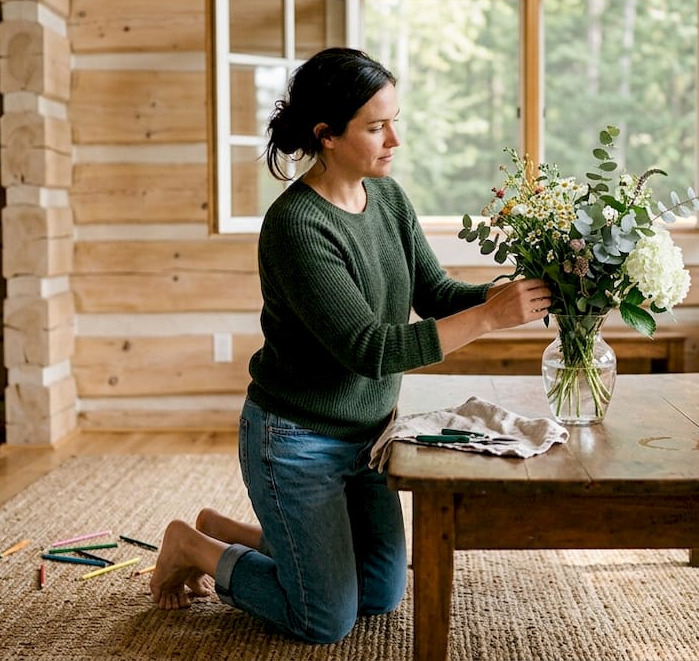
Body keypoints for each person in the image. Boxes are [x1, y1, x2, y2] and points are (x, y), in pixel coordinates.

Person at [149, 47, 551, 643]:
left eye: (396, 119)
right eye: (375, 125)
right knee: (325, 620)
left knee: (383, 592)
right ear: (327, 136)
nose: (394, 138)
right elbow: (370, 349)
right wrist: (491, 318)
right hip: (295, 440)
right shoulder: (295, 226)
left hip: (369, 437)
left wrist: (518, 292)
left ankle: (253, 538)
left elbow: (435, 292)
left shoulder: (387, 198)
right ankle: (193, 544)